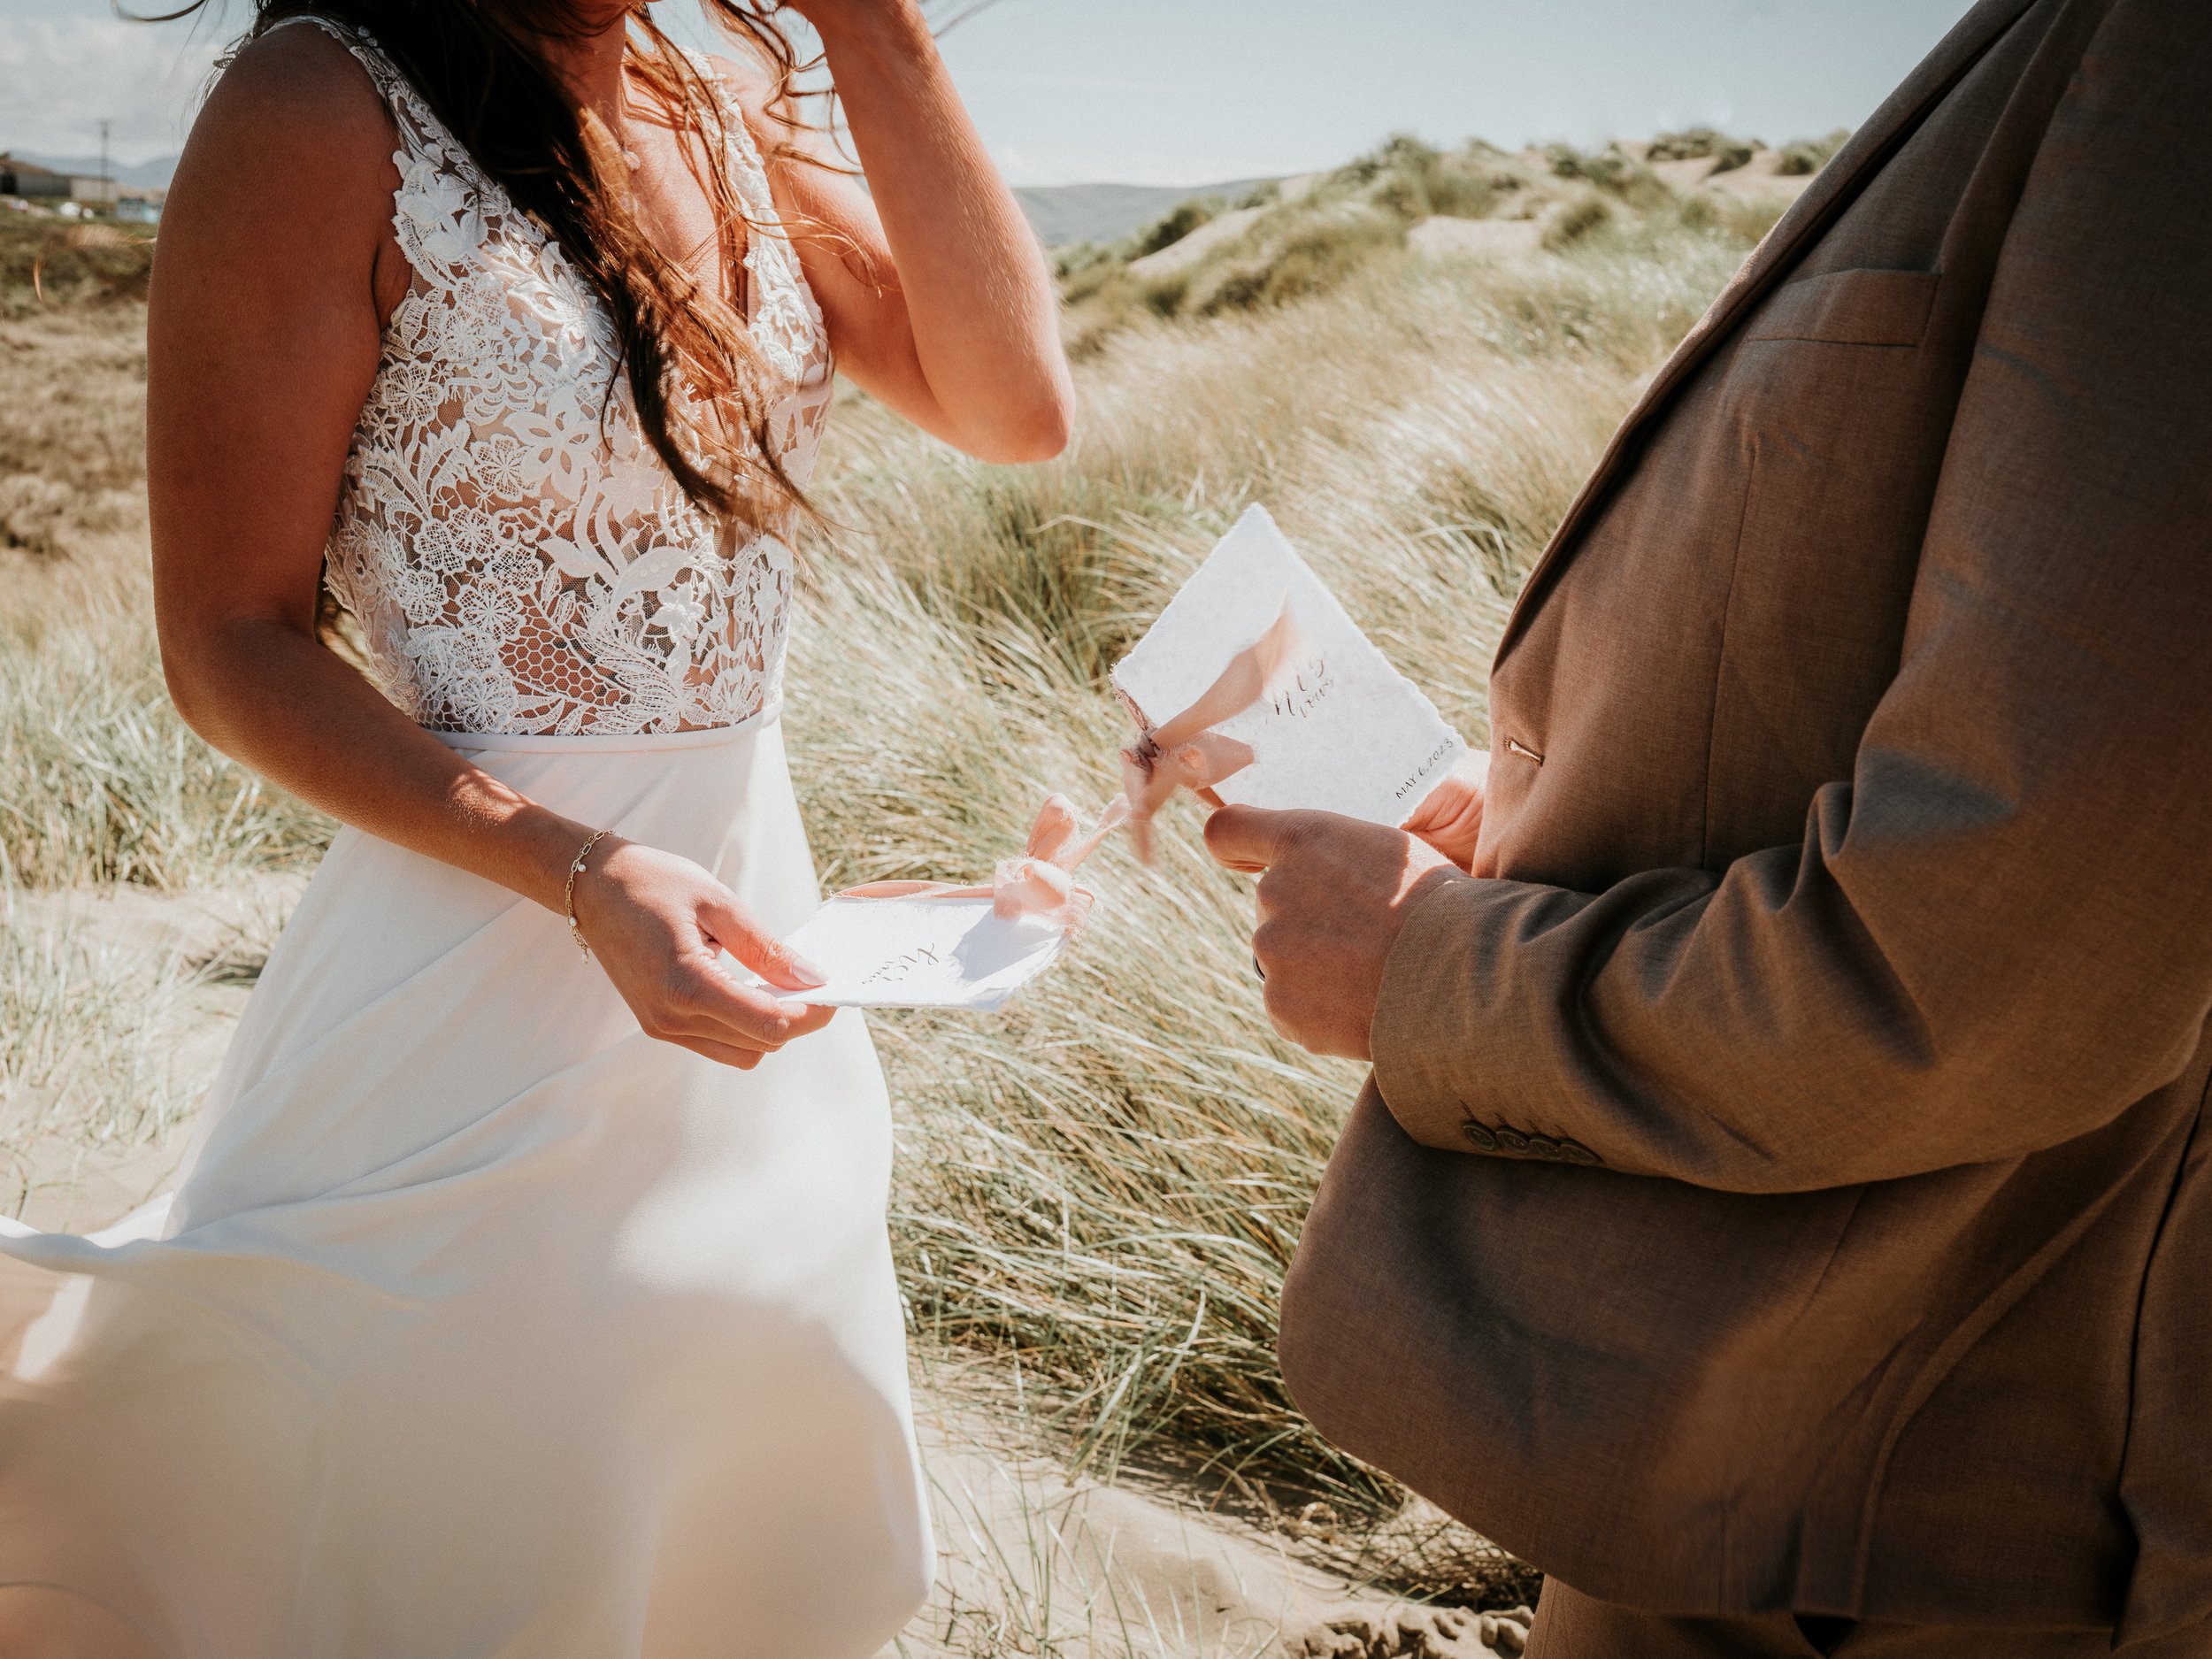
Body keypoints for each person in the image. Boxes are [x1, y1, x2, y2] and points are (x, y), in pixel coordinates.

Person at [0, 0, 1068, 1653]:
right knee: (447, 1529)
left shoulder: (724, 110)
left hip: (749, 961)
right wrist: (576, 869)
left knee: (715, 1522)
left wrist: (881, 31)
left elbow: (1013, 408)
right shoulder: (319, 105)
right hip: (473, 974)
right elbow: (228, 644)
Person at [1204, 0, 2212, 1654]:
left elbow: (1983, 973)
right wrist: (1553, 813)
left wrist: (1426, 976)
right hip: (1765, 1462)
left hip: (1914, 1518)